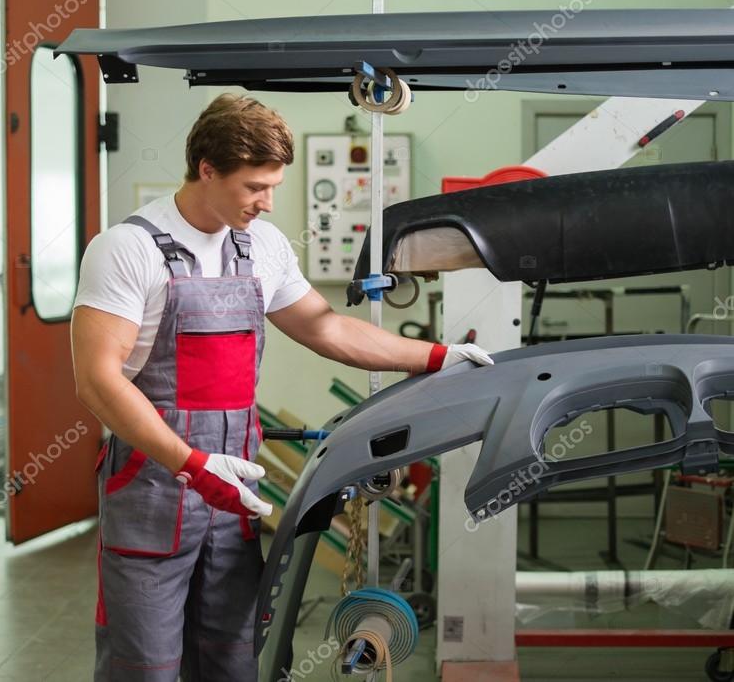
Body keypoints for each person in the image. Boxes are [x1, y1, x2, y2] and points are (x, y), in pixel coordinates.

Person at [71, 93, 492, 681]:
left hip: (234, 496)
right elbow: (96, 379)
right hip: (153, 488)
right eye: (254, 187)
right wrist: (192, 464)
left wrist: (436, 357)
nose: (267, 202)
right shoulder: (127, 249)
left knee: (233, 660)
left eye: (273, 186)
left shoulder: (262, 246)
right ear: (206, 169)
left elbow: (325, 327)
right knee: (144, 665)